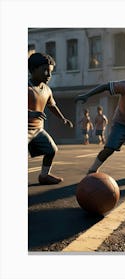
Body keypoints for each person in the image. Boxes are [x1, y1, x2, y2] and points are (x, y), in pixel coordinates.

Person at [28, 53, 73, 184]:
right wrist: (30, 114)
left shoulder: (47, 90)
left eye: (51, 71)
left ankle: (44, 175)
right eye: (45, 70)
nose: (49, 74)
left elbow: (52, 106)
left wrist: (63, 119)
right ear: (33, 70)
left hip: (37, 130)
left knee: (51, 149)